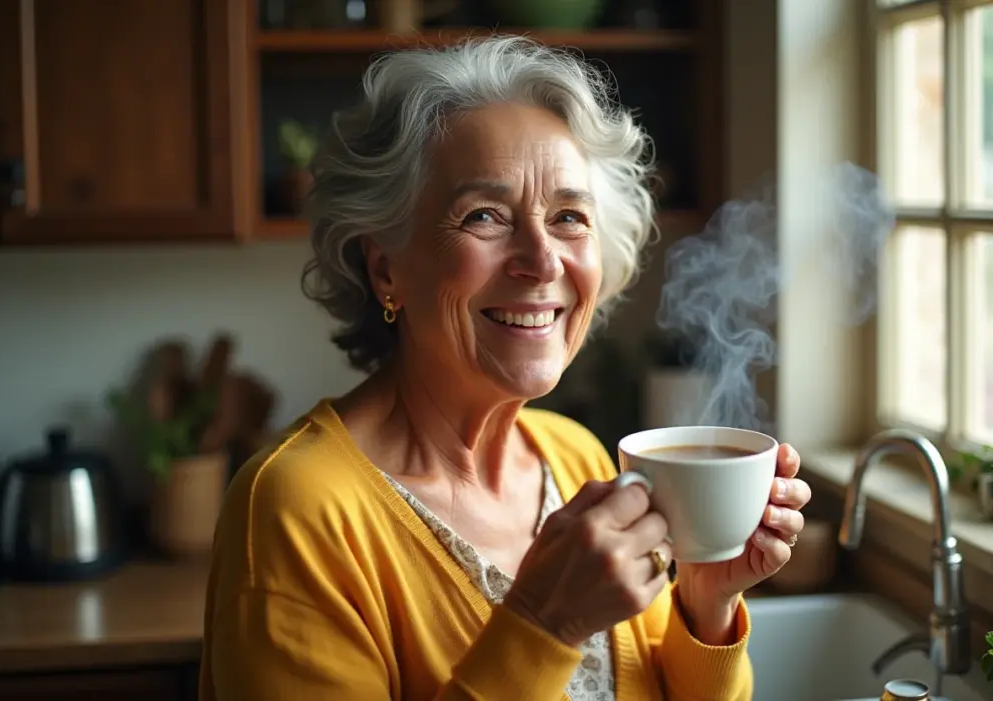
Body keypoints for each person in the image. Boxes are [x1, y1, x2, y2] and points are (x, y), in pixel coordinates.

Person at [199, 35, 811, 701]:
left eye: (569, 217)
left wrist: (706, 602)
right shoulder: (296, 506)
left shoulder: (579, 459)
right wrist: (544, 624)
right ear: (385, 267)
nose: (543, 261)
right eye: (484, 215)